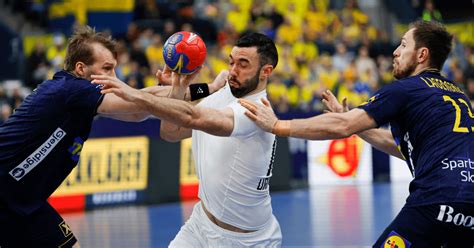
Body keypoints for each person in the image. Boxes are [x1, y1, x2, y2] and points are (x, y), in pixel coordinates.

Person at [240, 20, 474, 247]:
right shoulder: (457, 95)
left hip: (437, 198)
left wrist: (277, 125)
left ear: (421, 55)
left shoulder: (405, 89)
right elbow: (411, 150)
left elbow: (342, 126)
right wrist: (359, 128)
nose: (395, 52)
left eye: (403, 45)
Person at [0, 25, 224, 248]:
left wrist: (208, 88)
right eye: (107, 69)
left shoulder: (80, 97)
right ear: (81, 69)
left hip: (26, 201)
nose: (115, 77)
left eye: (115, 69)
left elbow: (142, 102)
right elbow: (138, 106)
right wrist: (199, 89)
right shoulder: (72, 90)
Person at [92, 32, 282, 247]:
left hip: (247, 240)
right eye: (231, 62)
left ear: (266, 71)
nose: (233, 71)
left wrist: (133, 93)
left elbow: (192, 117)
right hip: (201, 225)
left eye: (243, 64)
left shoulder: (256, 111)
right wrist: (178, 87)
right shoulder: (224, 91)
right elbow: (171, 132)